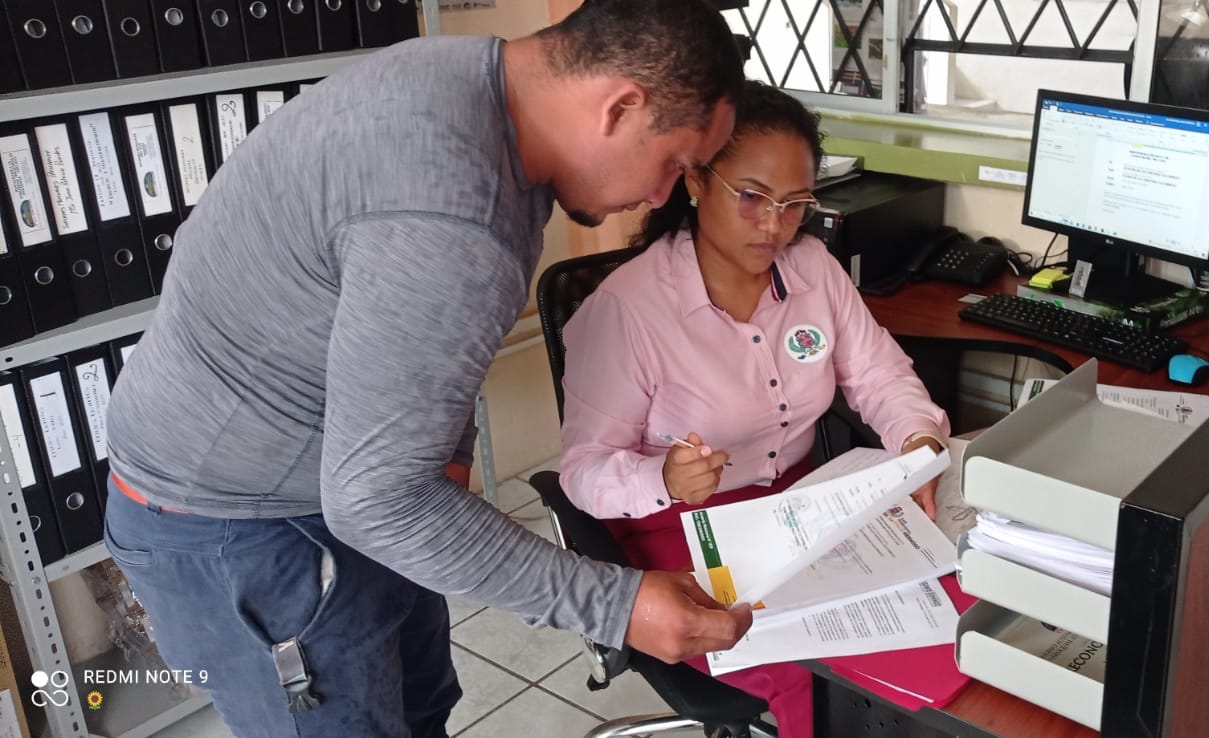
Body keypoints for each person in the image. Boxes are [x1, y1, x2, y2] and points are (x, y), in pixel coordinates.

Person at [102, 2, 753, 736]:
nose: (663, 196)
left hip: (334, 482)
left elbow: (423, 355)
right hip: (241, 523)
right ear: (620, 107)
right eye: (676, 164)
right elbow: (379, 501)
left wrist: (445, 462)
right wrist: (617, 607)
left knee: (419, 712)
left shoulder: (470, 84)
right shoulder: (455, 210)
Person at [558, 80, 952, 738]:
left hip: (800, 511)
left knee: (926, 616)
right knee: (818, 675)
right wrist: (662, 477)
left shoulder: (812, 269)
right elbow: (582, 472)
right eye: (752, 197)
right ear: (695, 180)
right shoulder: (628, 310)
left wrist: (917, 440)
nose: (775, 225)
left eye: (795, 204)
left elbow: (880, 374)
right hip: (679, 533)